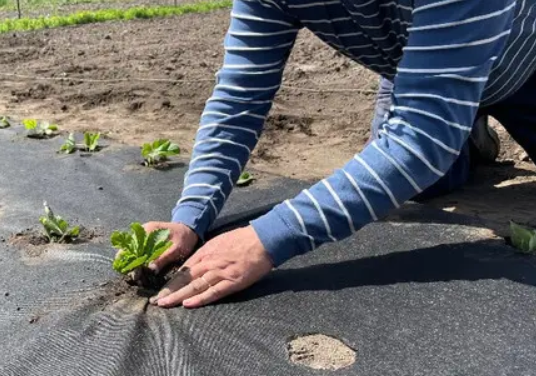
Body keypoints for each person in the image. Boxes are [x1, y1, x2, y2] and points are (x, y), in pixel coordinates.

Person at [146, 0, 536, 309]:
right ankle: (463, 125)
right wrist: (190, 218)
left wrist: (265, 240)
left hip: (523, 67)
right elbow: (238, 102)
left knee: (429, 145)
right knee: (423, 183)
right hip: (419, 66)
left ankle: (453, 114)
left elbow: (421, 137)